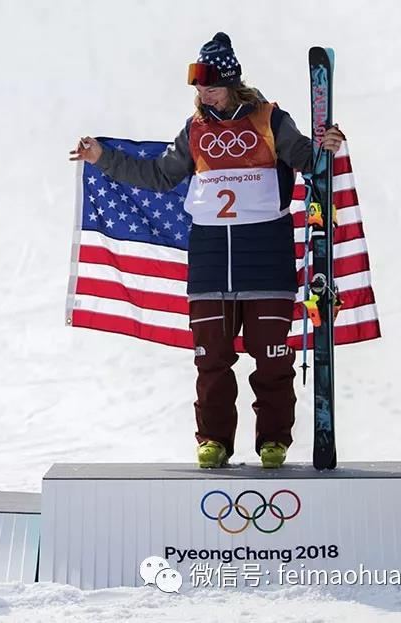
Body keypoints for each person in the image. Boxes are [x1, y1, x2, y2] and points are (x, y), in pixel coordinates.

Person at [69, 32, 345, 469]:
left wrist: (325, 147)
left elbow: (307, 160)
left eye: (210, 84)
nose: (202, 92)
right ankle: (214, 440)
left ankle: (273, 440)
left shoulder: (270, 119)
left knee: (272, 358)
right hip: (211, 260)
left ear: (232, 82)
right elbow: (159, 175)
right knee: (211, 361)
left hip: (266, 257)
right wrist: (103, 157)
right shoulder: (195, 129)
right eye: (197, 84)